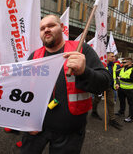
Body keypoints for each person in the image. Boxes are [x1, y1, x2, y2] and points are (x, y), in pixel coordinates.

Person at [21, 15, 111, 154]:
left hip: (70, 133)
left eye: (51, 26)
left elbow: (105, 82)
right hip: (35, 128)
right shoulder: (34, 56)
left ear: (62, 28)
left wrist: (84, 71)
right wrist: (26, 120)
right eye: (42, 28)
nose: (46, 30)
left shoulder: (81, 50)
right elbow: (24, 90)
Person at [91, 52, 122, 130]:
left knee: (111, 102)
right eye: (112, 56)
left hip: (110, 87)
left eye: (114, 56)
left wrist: (116, 83)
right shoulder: (100, 64)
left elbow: (115, 76)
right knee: (96, 100)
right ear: (106, 57)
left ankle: (112, 119)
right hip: (100, 87)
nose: (114, 58)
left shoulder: (114, 65)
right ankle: (94, 111)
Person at [115, 57, 133, 123]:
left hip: (130, 89)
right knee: (122, 101)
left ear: (130, 63)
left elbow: (132, 79)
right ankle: (121, 112)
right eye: (122, 62)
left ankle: (131, 117)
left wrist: (121, 78)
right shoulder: (122, 69)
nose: (122, 63)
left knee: (131, 103)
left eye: (124, 62)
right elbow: (117, 78)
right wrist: (117, 83)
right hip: (121, 89)